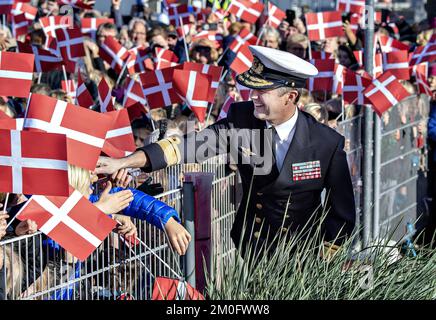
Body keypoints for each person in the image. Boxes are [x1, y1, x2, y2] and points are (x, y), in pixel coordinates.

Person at [96, 46, 356, 256]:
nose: (252, 96)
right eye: (252, 88)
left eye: (261, 91)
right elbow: (188, 147)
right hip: (255, 246)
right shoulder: (243, 118)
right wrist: (124, 161)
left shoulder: (326, 143)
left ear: (290, 97)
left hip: (304, 253)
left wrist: (322, 259)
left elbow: (342, 213)